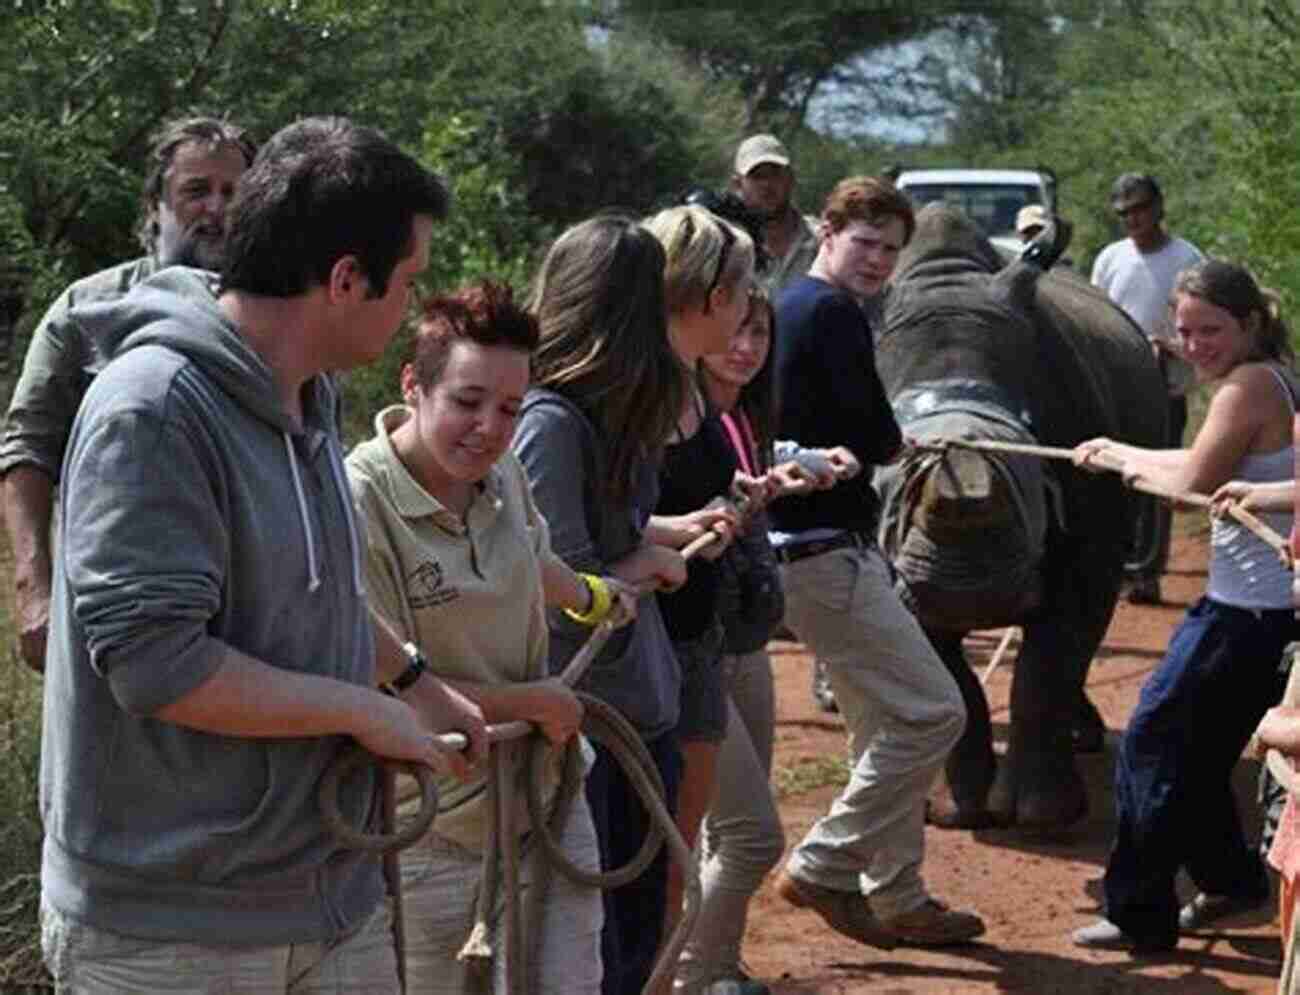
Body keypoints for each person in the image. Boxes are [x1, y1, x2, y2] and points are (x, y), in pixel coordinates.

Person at [38, 116, 488, 994]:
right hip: (172, 931)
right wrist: (359, 713)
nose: (409, 309)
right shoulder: (154, 411)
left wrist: (413, 683)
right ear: (345, 279)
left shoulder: (307, 396)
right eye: (406, 283)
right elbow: (157, 665)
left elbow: (306, 595)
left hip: (321, 901)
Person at [347, 281, 641, 993]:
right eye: (468, 401)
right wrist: (532, 702)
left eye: (510, 408)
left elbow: (532, 557)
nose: (490, 427)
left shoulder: (502, 471)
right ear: (413, 384)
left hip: (547, 796)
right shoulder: (358, 499)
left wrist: (593, 596)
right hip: (429, 824)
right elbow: (378, 680)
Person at [769, 175, 984, 948]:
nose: (877, 261)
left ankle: (897, 893)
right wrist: (893, 445)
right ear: (828, 231)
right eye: (864, 242)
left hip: (798, 550)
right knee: (935, 711)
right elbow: (876, 430)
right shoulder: (833, 313)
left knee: (881, 723)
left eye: (891, 249)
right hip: (827, 553)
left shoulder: (787, 303)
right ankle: (826, 859)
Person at [1070, 259, 1299, 954]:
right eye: (1184, 331)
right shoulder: (1275, 374)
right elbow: (1205, 460)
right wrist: (1117, 451)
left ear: (1250, 323)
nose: (1195, 344)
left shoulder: (1247, 386)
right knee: (1199, 755)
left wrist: (1124, 466)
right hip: (1259, 612)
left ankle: (1138, 908)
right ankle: (1230, 881)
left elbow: (1193, 481)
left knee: (1151, 742)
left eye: (1211, 329)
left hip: (1246, 617)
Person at [0, 114, 257, 673]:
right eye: (195, 191)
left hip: (248, 610)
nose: (216, 208)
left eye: (232, 193)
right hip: (113, 607)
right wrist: (33, 589)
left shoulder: (277, 323)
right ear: (154, 207)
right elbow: (27, 446)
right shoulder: (87, 311)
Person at [512, 215, 690, 995]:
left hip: (636, 718)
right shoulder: (548, 421)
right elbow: (554, 588)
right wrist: (640, 562)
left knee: (634, 936)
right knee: (592, 952)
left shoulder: (612, 417)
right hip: (584, 727)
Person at [641, 204, 756, 965]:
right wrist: (688, 526)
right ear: (715, 296)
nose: (750, 310)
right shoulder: (638, 388)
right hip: (649, 654)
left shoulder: (686, 380)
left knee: (675, 867)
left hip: (696, 642)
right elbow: (595, 526)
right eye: (744, 290)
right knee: (647, 875)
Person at [1091, 172, 1205, 605]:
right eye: (1123, 213)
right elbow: (1096, 316)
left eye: (1139, 209)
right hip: (1113, 383)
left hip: (1164, 383)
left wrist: (1171, 347)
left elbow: (1204, 326)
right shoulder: (1110, 258)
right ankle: (1115, 561)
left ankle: (1148, 571)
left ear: (1159, 207)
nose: (1132, 219)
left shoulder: (1186, 259)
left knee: (1158, 474)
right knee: (1113, 470)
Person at [730, 134, 817, 300]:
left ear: (790, 179)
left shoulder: (823, 241)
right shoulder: (726, 245)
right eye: (757, 176)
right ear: (737, 185)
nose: (767, 184)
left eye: (775, 174)